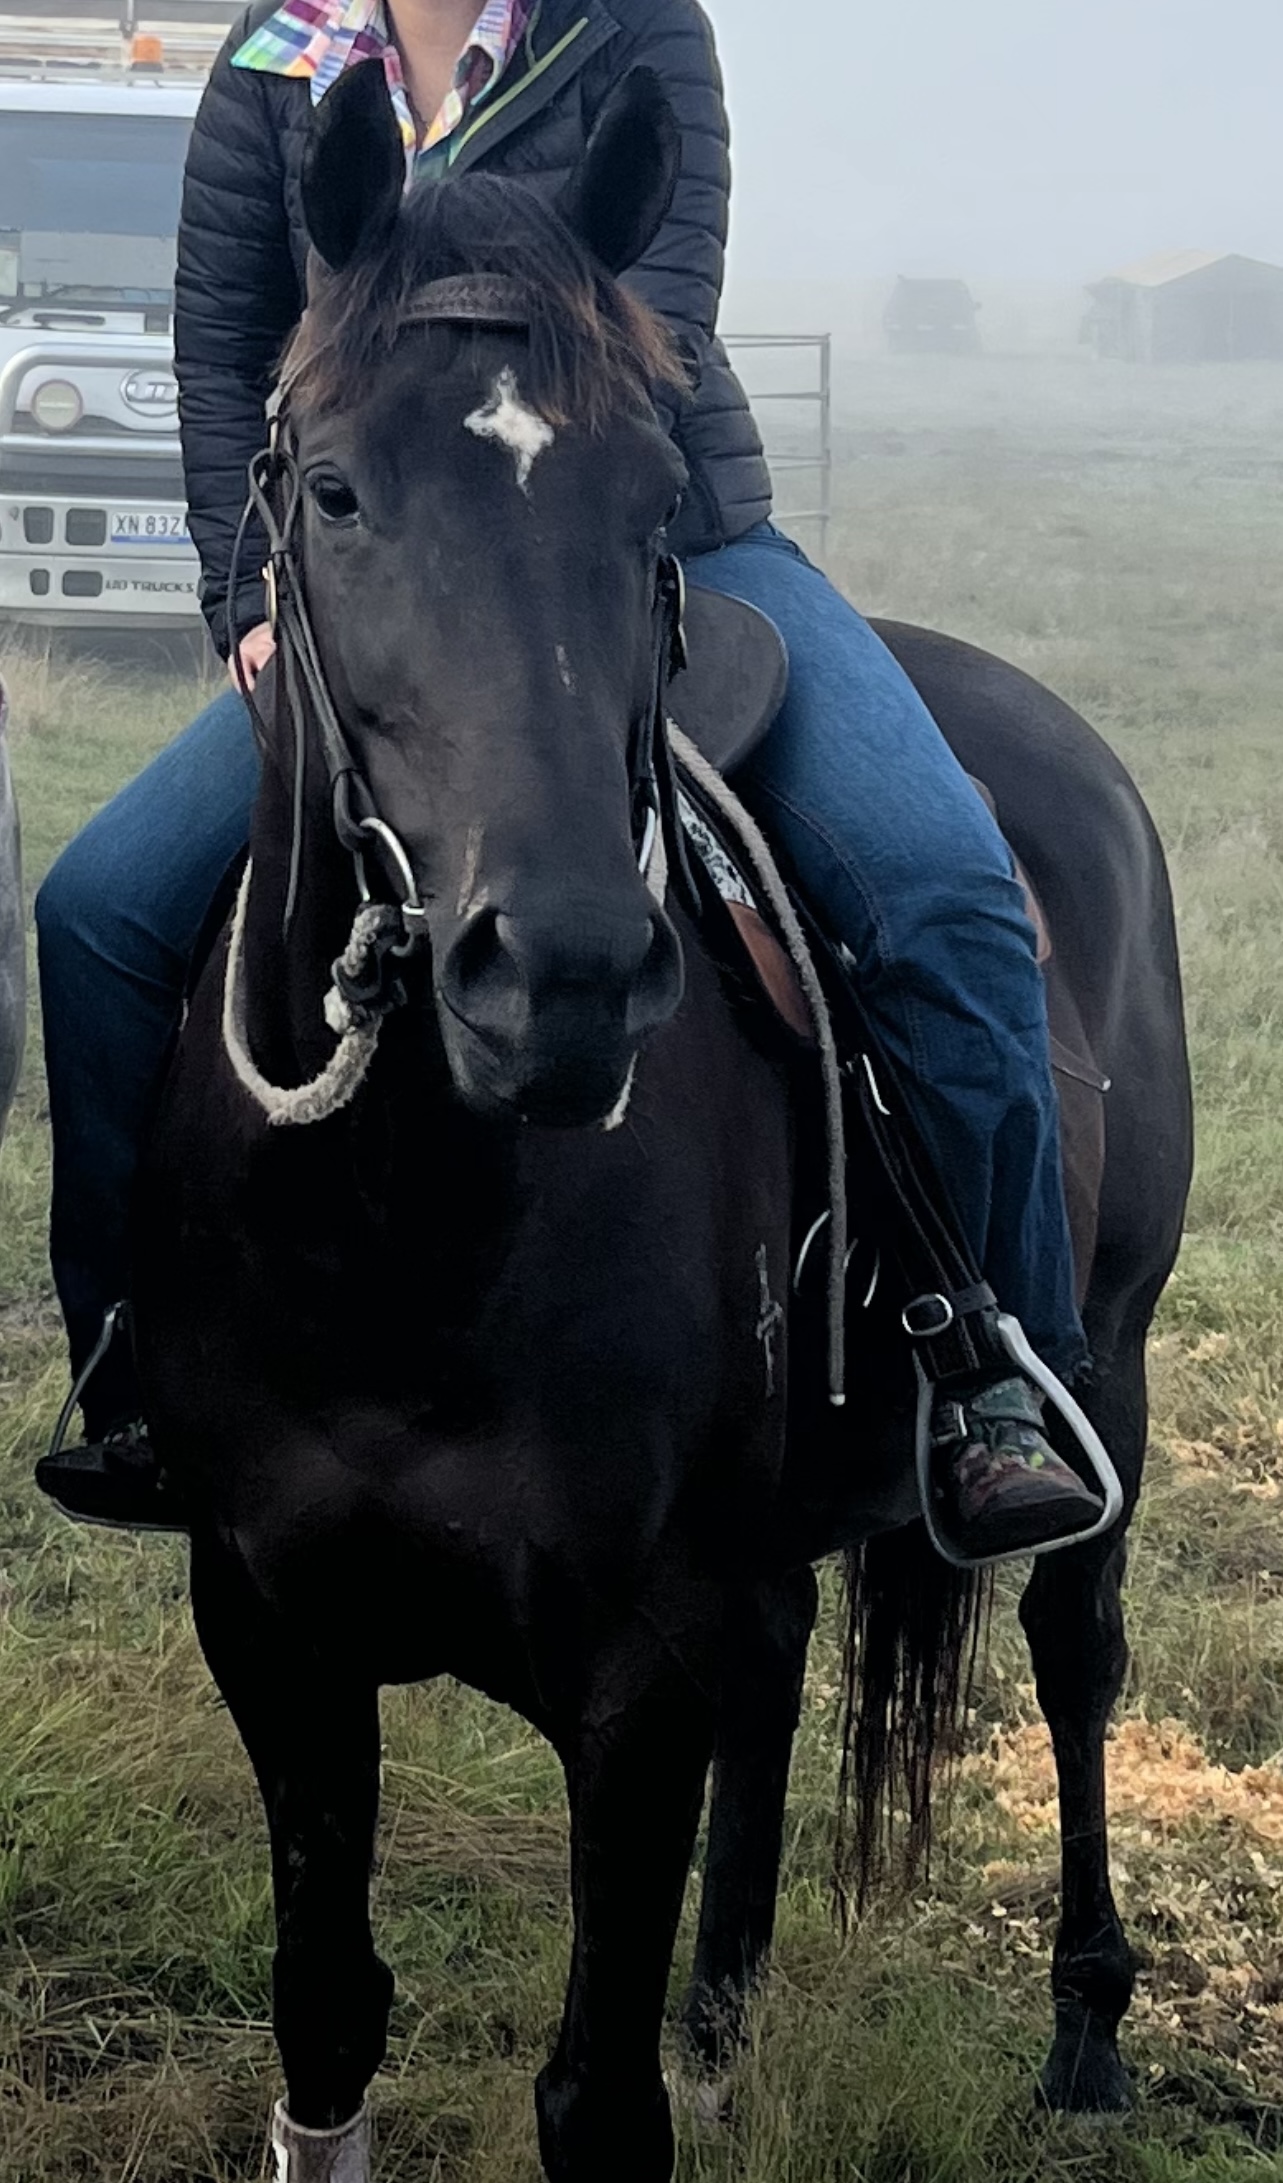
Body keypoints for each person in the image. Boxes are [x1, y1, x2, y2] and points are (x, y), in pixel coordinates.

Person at [34, 0, 1103, 1558]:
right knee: (99, 911)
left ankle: (998, 1369)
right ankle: (127, 1356)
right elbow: (222, 346)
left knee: (939, 883)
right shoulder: (273, 61)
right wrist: (245, 600)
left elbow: (658, 313)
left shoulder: (635, 29)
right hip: (390, 562)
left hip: (646, 536)